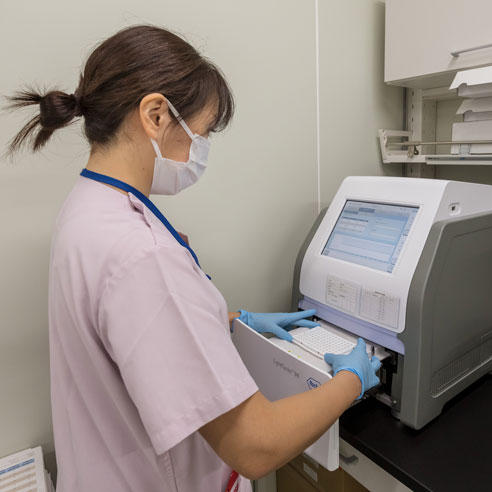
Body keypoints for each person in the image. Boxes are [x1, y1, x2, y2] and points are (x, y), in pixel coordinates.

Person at [7, 25, 380, 492]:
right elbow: (256, 446)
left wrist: (229, 321)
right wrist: (351, 381)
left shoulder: (87, 207)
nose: (199, 152)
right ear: (155, 115)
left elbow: (126, 330)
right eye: (200, 134)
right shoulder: (142, 253)